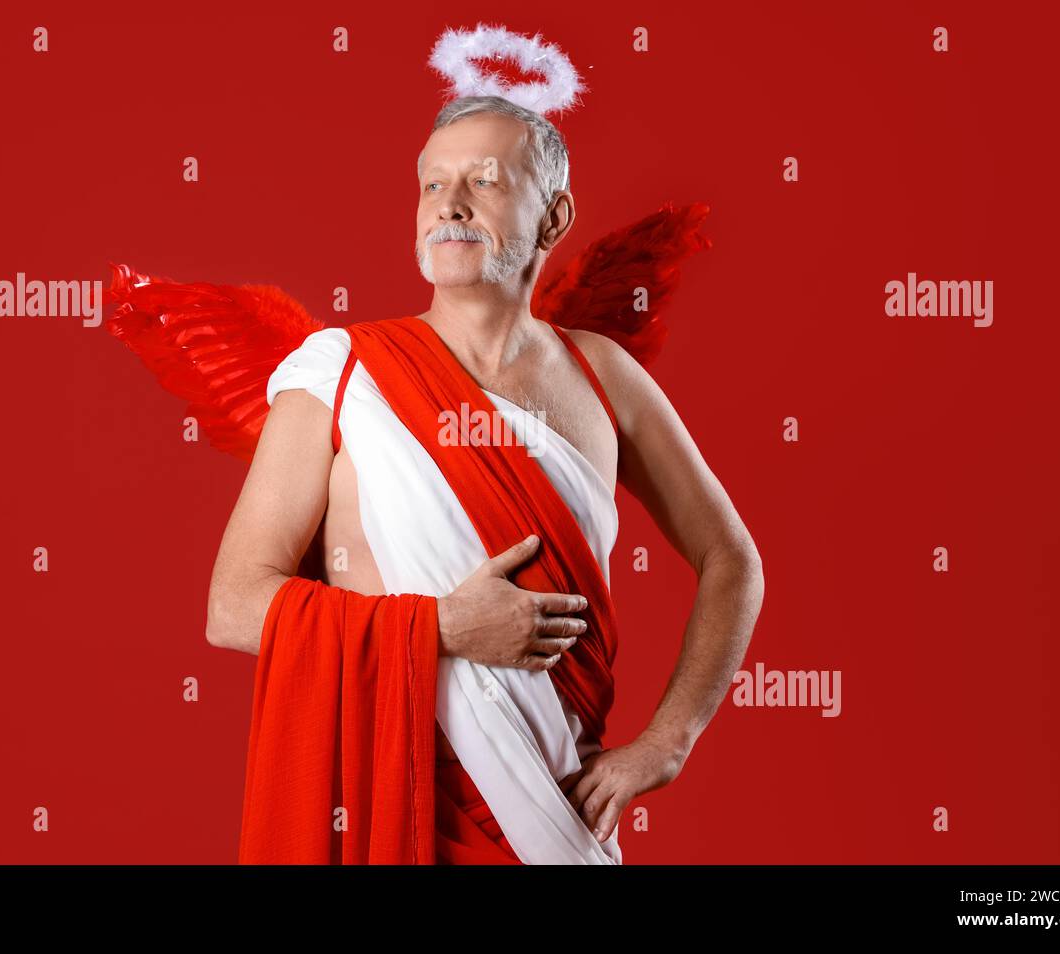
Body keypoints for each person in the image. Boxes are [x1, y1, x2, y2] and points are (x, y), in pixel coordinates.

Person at [205, 95, 764, 864]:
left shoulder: (603, 377)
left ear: (555, 216)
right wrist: (441, 627)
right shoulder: (341, 375)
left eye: (486, 181)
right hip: (385, 801)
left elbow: (732, 559)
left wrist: (668, 740)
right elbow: (233, 607)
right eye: (433, 185)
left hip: (556, 814)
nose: (451, 206)